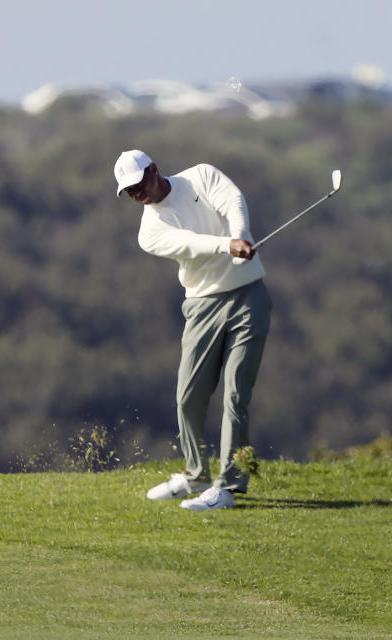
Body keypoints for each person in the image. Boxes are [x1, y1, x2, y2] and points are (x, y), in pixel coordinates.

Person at [114, 150, 271, 511]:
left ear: (154, 170)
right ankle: (196, 474)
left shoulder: (200, 175)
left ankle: (228, 487)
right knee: (188, 396)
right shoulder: (149, 231)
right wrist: (227, 245)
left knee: (235, 394)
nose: (137, 195)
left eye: (139, 185)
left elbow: (232, 199)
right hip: (202, 305)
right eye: (129, 192)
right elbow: (190, 244)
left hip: (249, 297)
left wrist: (240, 233)